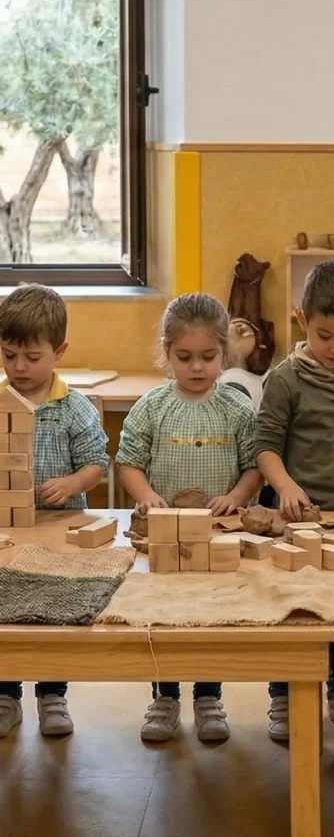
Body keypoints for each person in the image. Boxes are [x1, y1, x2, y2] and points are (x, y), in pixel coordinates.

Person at [117, 293, 261, 744]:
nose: (196, 367)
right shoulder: (152, 406)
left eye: (207, 357)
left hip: (218, 534)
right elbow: (129, 462)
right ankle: (165, 695)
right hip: (164, 535)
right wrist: (147, 497)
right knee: (164, 615)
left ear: (225, 354)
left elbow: (255, 465)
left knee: (209, 614)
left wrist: (237, 495)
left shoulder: (237, 409)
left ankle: (208, 695)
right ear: (167, 352)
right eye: (184, 357)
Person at [256, 260, 334, 743]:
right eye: (324, 334)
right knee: (294, 609)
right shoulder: (285, 379)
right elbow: (265, 445)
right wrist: (285, 486)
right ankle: (283, 697)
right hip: (297, 517)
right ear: (301, 319)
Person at [0, 284, 109, 739]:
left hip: (61, 530)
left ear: (58, 351)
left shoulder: (73, 407)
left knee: (53, 609)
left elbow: (97, 465)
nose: (20, 367)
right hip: (10, 529)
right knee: (7, 607)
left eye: (32, 356)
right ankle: (6, 695)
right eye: (8, 355)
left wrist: (71, 483)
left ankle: (53, 694)